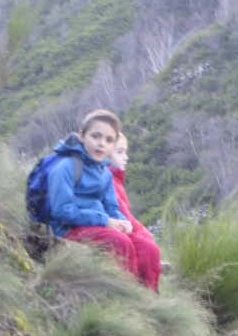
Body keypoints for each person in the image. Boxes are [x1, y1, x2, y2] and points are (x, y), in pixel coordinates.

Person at [47, 109, 155, 290]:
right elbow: (61, 211)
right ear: (82, 136)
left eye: (108, 140)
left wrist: (121, 221)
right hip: (70, 229)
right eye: (95, 136)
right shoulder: (65, 167)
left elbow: (111, 206)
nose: (101, 144)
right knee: (119, 242)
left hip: (99, 225)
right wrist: (105, 220)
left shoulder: (104, 173)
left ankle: (151, 298)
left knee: (148, 248)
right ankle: (129, 296)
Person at [108, 132, 163, 292]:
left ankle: (146, 293)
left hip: (118, 226)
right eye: (120, 152)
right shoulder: (108, 180)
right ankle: (147, 294)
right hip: (115, 227)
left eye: (125, 152)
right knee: (148, 249)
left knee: (149, 247)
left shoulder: (114, 179)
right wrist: (144, 234)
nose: (126, 157)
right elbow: (123, 214)